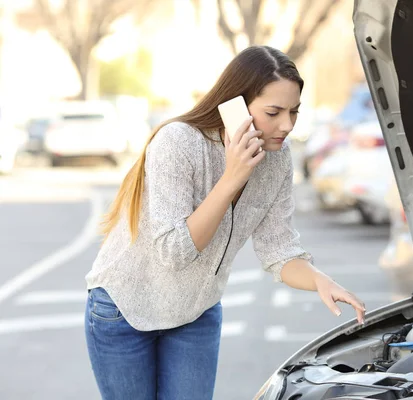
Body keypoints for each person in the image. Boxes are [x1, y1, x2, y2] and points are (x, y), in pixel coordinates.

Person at [84, 45, 366, 400]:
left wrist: (320, 280)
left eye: (294, 111)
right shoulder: (178, 142)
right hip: (125, 310)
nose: (287, 125)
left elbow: (279, 250)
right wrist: (232, 177)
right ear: (235, 107)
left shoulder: (277, 160)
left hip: (195, 312)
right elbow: (174, 250)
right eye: (273, 112)